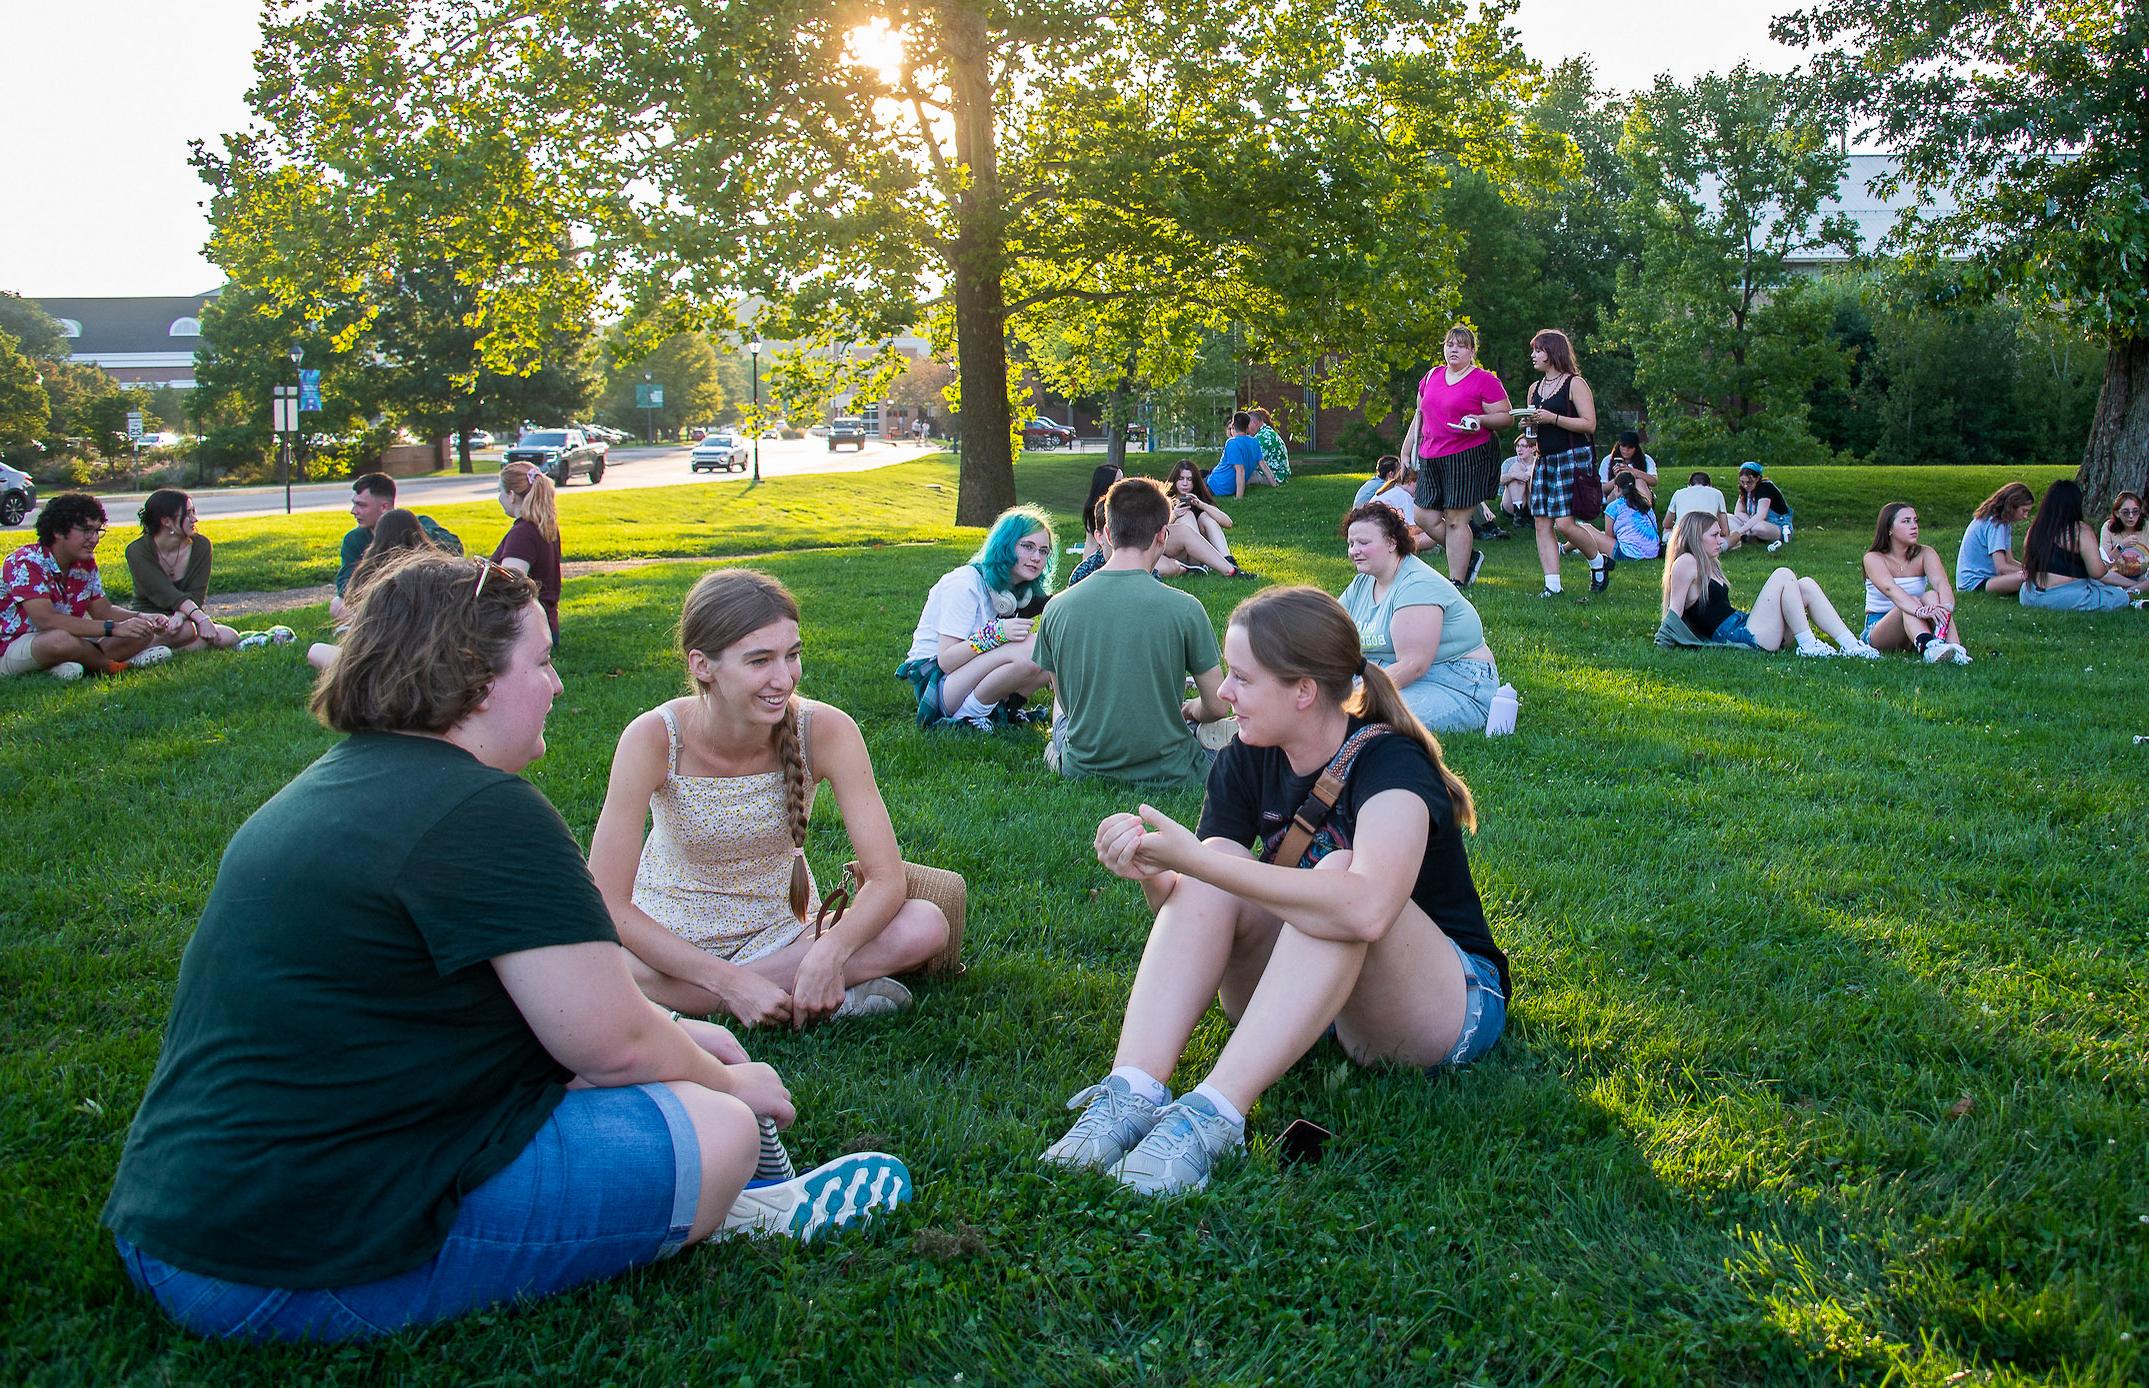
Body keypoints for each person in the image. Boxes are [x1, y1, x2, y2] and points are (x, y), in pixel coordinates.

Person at [100, 550, 909, 1344]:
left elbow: (570, 1017)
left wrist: (694, 1039)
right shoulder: (484, 811)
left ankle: (729, 1193)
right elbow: (619, 1046)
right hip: (290, 1261)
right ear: (473, 676)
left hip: (178, 1223)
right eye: (542, 664)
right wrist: (737, 1085)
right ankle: (751, 1204)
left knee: (692, 1038)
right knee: (719, 1127)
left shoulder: (334, 782)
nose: (558, 686)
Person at [1040, 586, 1508, 1197]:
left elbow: (1368, 912)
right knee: (1218, 856)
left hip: (1441, 1005)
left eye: (1241, 678)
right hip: (1309, 993)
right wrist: (1157, 870)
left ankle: (1212, 1119)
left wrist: (1199, 866)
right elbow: (1195, 909)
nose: (1223, 694)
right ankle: (1130, 1092)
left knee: (1339, 875)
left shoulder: (1391, 764)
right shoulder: (1247, 756)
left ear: (1304, 691)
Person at [590, 568, 949, 1029]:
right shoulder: (655, 738)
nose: (784, 678)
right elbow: (608, 902)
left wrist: (828, 953)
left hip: (786, 935)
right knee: (600, 952)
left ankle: (698, 1005)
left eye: (792, 655)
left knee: (926, 925)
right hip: (672, 943)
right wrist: (730, 983)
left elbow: (886, 878)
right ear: (702, 665)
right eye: (760, 661)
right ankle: (778, 996)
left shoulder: (826, 730)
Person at [1033, 478, 1231, 785]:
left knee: (1061, 724)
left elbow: (1068, 703)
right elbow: (1218, 705)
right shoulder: (1186, 608)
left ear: (1108, 534)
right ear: (1163, 536)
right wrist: (1190, 710)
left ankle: (1055, 752)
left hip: (1083, 765)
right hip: (1173, 770)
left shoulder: (1057, 608)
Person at [1337, 503, 1500, 733]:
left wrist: (1356, 696)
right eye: (1351, 544)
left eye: (1364, 543)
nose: (1354, 550)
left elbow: (1414, 665)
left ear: (1392, 542)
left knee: (1364, 719)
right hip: (1387, 673)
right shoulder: (1362, 583)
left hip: (1455, 681)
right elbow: (1330, 634)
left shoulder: (1416, 585)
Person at [897, 506, 1057, 730]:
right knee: (1031, 647)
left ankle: (1007, 710)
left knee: (1051, 646)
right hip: (940, 683)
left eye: (1043, 551)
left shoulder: (1015, 591)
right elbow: (947, 660)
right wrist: (996, 634)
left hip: (964, 678)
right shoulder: (965, 583)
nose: (1036, 557)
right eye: (1027, 546)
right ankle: (968, 717)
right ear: (1005, 545)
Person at [1, 492, 179, 680]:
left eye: (97, 531)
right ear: (58, 531)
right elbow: (47, 621)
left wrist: (142, 618)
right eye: (87, 530)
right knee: (60, 640)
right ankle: (116, 667)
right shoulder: (25, 562)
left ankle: (69, 667)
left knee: (141, 631)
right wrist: (114, 628)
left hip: (71, 641)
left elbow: (104, 610)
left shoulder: (84, 563)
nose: (94, 539)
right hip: (12, 645)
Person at [1658, 510, 1878, 657]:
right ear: (1696, 536)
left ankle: (1851, 645)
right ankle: (1809, 644)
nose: (1720, 540)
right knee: (1783, 574)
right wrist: (1662, 642)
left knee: (1806, 585)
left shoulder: (1709, 563)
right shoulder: (1686, 562)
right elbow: (1674, 609)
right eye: (1714, 535)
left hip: (1746, 626)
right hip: (1739, 636)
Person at [1406, 323, 1512, 588]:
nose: (1454, 349)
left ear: (1472, 351)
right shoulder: (1431, 377)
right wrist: (1407, 447)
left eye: (1461, 345)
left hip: (1467, 455)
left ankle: (1457, 580)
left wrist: (1480, 419)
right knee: (1423, 516)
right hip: (1431, 455)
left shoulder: (1485, 380)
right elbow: (1419, 415)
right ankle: (1469, 556)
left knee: (1456, 520)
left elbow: (1505, 417)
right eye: (1449, 344)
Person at [1520, 329, 1616, 595]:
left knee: (1564, 524)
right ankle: (1553, 585)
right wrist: (1529, 424)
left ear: (1553, 352)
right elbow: (1536, 427)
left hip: (1571, 458)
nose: (1533, 355)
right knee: (1541, 522)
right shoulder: (1534, 389)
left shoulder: (1575, 383)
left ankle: (1598, 562)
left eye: (1538, 350)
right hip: (1544, 459)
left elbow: (1589, 424)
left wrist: (1554, 419)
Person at [308, 510, 443, 671]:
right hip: (429, 658)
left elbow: (362, 619)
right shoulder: (438, 571)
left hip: (383, 663)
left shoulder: (372, 575)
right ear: (419, 533)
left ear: (378, 537)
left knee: (315, 650)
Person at [122, 489, 241, 651]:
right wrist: (202, 619)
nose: (195, 519)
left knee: (229, 636)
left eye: (194, 512)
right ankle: (148, 649)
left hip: (187, 618)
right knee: (189, 631)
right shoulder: (137, 551)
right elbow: (165, 592)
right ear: (166, 521)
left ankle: (164, 651)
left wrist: (181, 616)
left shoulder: (201, 546)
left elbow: (197, 594)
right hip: (152, 620)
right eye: (188, 514)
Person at [331, 472, 461, 621]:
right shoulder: (355, 539)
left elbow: (455, 549)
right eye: (354, 503)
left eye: (361, 505)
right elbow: (345, 585)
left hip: (422, 602)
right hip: (377, 603)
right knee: (337, 604)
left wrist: (412, 531)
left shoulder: (420, 524)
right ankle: (368, 627)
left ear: (384, 507)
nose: (354, 511)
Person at [1861, 502, 1971, 663]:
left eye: (1915, 520)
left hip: (1918, 623)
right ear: (1889, 529)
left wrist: (1945, 608)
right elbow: (1890, 589)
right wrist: (1919, 611)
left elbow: (1941, 583)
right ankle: (1930, 648)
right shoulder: (1873, 558)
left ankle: (1956, 649)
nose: (1914, 526)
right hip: (1880, 629)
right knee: (1910, 601)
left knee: (1933, 595)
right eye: (1906, 521)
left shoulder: (1926, 553)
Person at [2019, 478, 2149, 611]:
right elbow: (2097, 572)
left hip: (2029, 595)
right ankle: (2130, 597)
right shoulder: (2080, 530)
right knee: (2117, 596)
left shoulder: (2034, 529)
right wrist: (2113, 556)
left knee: (2097, 585)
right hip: (2064, 596)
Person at [494, 462, 564, 643]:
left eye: (500, 491)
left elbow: (510, 583)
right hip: (546, 627)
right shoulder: (544, 526)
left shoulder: (522, 534)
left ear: (511, 496)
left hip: (525, 635)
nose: (498, 497)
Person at [1162, 459, 1255, 578]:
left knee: (1206, 516)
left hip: (1201, 555)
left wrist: (1202, 505)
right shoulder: (1164, 500)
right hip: (1178, 553)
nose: (1185, 483)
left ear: (1195, 482)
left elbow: (1228, 523)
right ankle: (1198, 566)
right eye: (1181, 479)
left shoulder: (1200, 500)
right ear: (1174, 480)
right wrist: (1174, 514)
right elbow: (1157, 533)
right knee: (1187, 515)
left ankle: (1228, 560)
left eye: (1189, 479)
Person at [1956, 481, 2034, 596]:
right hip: (1975, 583)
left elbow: (2009, 560)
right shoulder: (1996, 523)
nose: (2025, 516)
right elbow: (2001, 568)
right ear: (2012, 506)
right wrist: (2032, 574)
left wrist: (2031, 569)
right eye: (2024, 511)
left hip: (1986, 579)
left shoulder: (2003, 522)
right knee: (2028, 578)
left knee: (2030, 576)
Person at [1204, 412, 1276, 499]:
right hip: (1226, 484)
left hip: (1216, 486)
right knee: (1202, 474)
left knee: (1192, 481)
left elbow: (1240, 470)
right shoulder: (1254, 442)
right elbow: (1264, 466)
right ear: (1248, 427)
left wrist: (1239, 498)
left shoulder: (1232, 443)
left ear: (1233, 426)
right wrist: (1274, 485)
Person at [1726, 462, 1793, 551]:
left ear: (1757, 478)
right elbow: (1738, 512)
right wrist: (1747, 524)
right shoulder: (1745, 489)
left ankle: (1748, 536)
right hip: (1752, 521)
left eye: (1749, 482)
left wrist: (1740, 531)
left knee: (1758, 528)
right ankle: (1749, 536)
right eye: (1742, 482)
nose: (1745, 485)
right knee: (1726, 518)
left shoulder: (1765, 488)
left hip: (1776, 524)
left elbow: (1761, 515)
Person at [1601, 475, 1662, 561]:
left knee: (1587, 528)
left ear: (1616, 488)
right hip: (1653, 552)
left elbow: (1608, 537)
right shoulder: (1645, 504)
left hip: (1628, 554)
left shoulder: (1614, 507)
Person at [1601, 431, 1657, 507]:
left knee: (1639, 482)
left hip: (1639, 496)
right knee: (1623, 485)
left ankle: (1645, 511)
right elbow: (1603, 488)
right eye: (1623, 446)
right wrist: (1619, 477)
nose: (1626, 450)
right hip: (1615, 497)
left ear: (1636, 448)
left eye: (1630, 447)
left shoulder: (1646, 459)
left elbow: (1654, 481)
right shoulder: (1607, 460)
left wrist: (1633, 472)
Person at [2099, 491, 2148, 578]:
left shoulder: (2147, 527)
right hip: (2117, 574)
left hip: (2144, 573)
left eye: (2135, 511)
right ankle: (2134, 587)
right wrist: (2121, 546)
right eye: (2125, 512)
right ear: (2117, 513)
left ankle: (2134, 588)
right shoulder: (2108, 527)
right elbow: (2104, 563)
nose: (2131, 516)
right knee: (2101, 575)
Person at [1664, 471, 1731, 533]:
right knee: (1734, 535)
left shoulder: (1678, 493)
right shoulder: (1717, 493)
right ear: (1710, 485)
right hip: (1707, 540)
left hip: (1682, 538)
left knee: (1666, 530)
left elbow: (1666, 524)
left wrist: (1677, 524)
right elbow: (1725, 531)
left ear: (1689, 485)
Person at [1496, 436, 1537, 523]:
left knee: (1532, 471)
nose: (1519, 449)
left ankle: (1534, 515)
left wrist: (1529, 474)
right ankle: (1518, 515)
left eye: (1523, 446)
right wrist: (1513, 475)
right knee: (1515, 469)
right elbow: (1500, 481)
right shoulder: (1509, 462)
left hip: (1532, 502)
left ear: (1533, 449)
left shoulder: (1539, 462)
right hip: (1511, 504)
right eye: (1517, 446)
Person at [1248, 407, 1291, 483]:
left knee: (1240, 474)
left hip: (1275, 476)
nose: (1246, 429)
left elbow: (1252, 463)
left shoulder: (1263, 437)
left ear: (1254, 422)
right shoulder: (1267, 432)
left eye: (1247, 424)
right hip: (1281, 475)